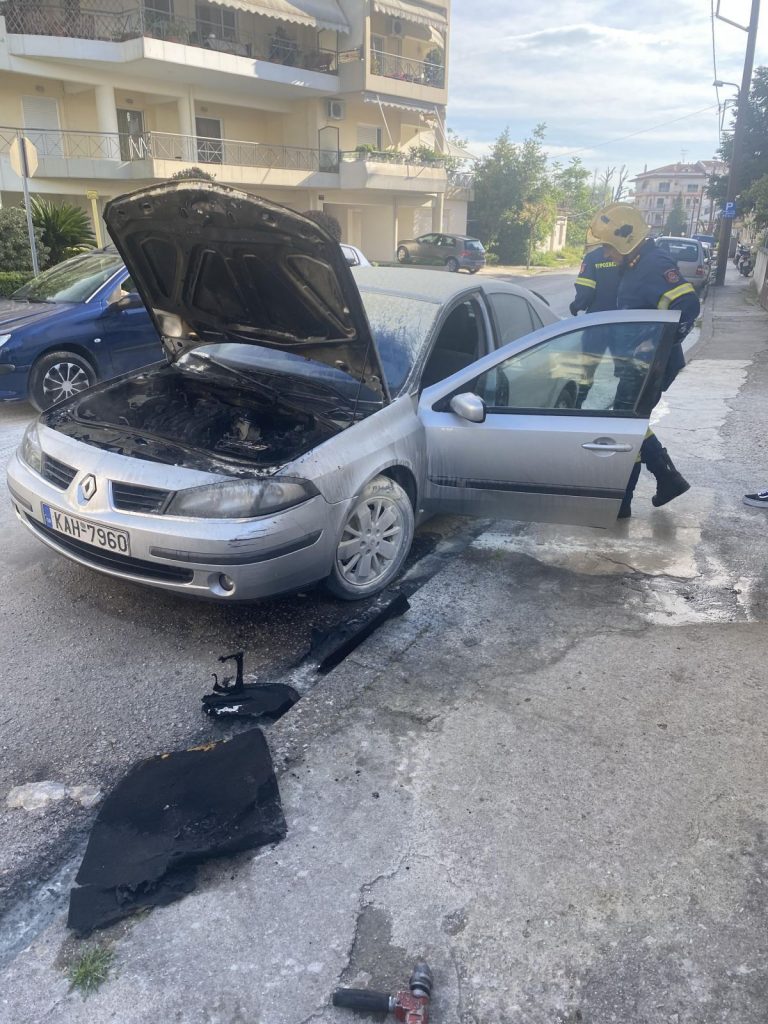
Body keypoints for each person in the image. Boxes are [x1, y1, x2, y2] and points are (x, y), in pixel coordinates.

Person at [588, 204, 698, 518]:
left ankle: (641, 492)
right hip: (638, 365)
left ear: (625, 241)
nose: (606, 254)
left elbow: (688, 305)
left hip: (649, 367)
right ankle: (657, 484)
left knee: (626, 423)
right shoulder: (635, 265)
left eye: (608, 247)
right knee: (629, 423)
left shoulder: (653, 265)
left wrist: (657, 347)